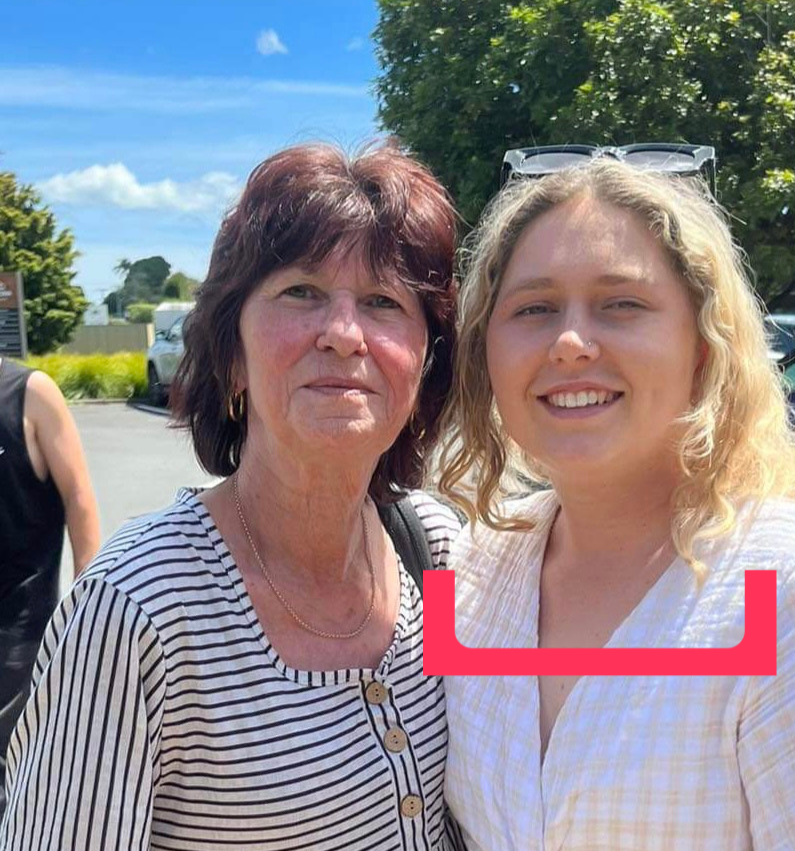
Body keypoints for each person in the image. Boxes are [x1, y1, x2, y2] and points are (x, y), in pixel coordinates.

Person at [438, 160, 795, 849]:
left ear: (702, 345)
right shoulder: (471, 567)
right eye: (533, 308)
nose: (569, 342)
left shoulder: (783, 578)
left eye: (621, 304)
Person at [1, 142, 463, 850]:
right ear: (230, 356)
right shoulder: (139, 607)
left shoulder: (435, 550)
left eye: (382, 302)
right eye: (300, 291)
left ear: (424, 364)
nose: (343, 334)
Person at [0, 358, 99, 819]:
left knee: (16, 787)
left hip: (20, 637)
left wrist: (92, 617)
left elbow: (79, 501)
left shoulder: (29, 393)